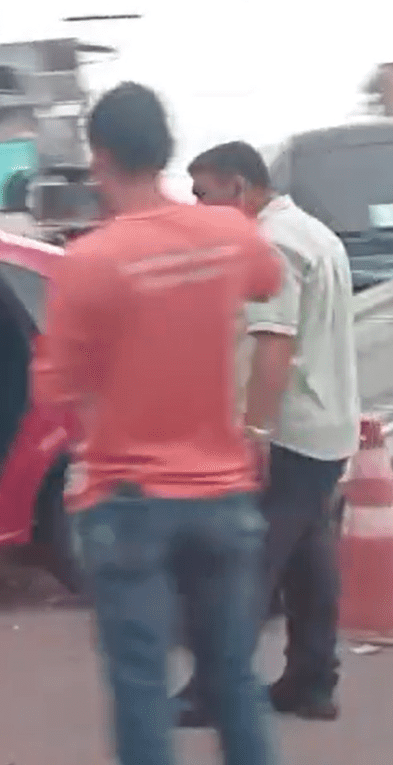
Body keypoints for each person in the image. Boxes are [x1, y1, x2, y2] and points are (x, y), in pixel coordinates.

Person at [32, 82, 283, 765]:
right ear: (167, 150)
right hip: (224, 493)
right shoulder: (228, 233)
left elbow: (52, 382)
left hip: (129, 499)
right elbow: (268, 280)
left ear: (100, 157)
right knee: (234, 680)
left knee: (142, 687)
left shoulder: (90, 262)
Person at [175, 140, 358, 724]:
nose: (198, 206)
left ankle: (214, 690)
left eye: (204, 193)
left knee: (244, 564)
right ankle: (311, 680)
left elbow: (273, 343)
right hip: (325, 427)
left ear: (237, 186)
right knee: (307, 559)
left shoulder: (270, 244)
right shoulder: (314, 233)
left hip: (288, 429)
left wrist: (255, 429)